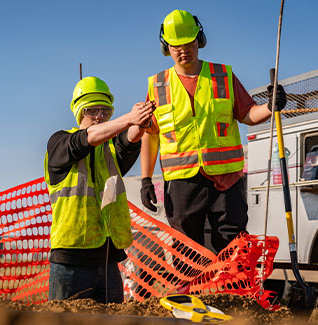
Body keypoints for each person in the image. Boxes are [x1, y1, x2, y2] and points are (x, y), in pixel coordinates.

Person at [140, 9, 286, 254]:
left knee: (233, 248)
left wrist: (270, 107)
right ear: (166, 47)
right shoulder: (158, 85)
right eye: (176, 46)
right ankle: (191, 294)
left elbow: (248, 113)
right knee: (187, 252)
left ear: (200, 41)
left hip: (226, 181)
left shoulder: (223, 76)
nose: (183, 50)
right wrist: (145, 179)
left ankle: (231, 293)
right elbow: (150, 133)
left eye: (189, 43)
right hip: (181, 183)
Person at [44, 76, 155, 303]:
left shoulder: (109, 151)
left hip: (107, 262)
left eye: (105, 111)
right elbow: (85, 140)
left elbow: (129, 140)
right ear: (79, 111)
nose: (99, 117)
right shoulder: (59, 143)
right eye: (92, 110)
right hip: (70, 263)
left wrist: (140, 123)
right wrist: (128, 119)